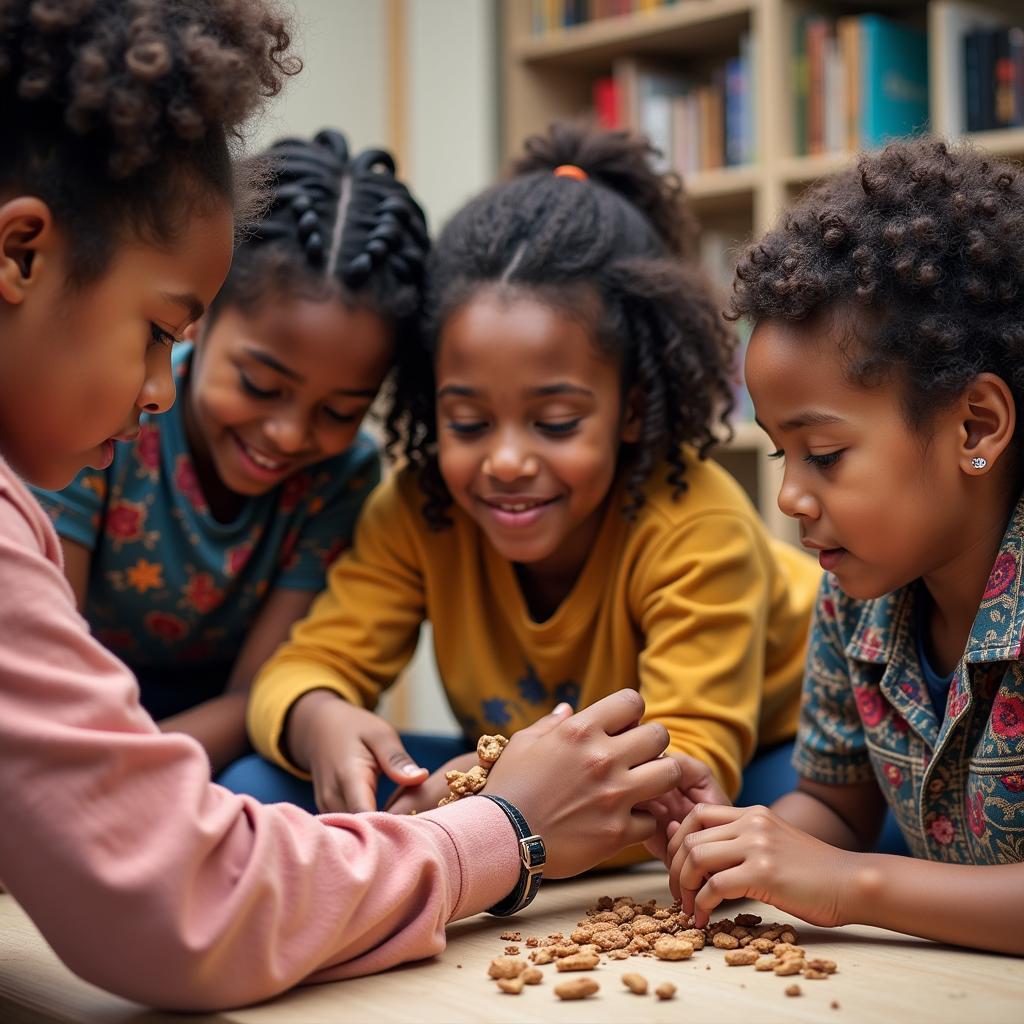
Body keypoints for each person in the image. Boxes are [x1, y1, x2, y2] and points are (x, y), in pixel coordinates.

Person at [0, 2, 684, 1010]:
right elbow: (188, 899)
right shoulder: (72, 470)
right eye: (160, 333)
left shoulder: (345, 486)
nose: (155, 389)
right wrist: (506, 830)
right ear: (20, 254)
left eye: (337, 409)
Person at [239, 122, 820, 831]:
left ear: (632, 408)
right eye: (469, 423)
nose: (507, 462)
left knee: (767, 814)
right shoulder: (420, 511)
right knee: (258, 779)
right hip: (520, 772)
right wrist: (320, 714)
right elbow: (300, 669)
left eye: (554, 424)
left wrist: (478, 808)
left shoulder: (698, 524)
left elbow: (688, 770)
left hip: (775, 747)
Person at [663, 138, 1024, 955]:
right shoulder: (852, 595)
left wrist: (846, 884)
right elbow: (836, 807)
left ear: (977, 425)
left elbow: (844, 866)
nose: (790, 495)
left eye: (822, 455)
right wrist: (735, 841)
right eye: (780, 453)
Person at [33, 127, 429, 775]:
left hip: (214, 746)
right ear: (199, 314)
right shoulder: (110, 416)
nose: (288, 434)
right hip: (69, 716)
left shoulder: (343, 478)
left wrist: (134, 772)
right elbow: (50, 656)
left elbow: (257, 696)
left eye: (340, 411)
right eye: (260, 385)